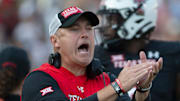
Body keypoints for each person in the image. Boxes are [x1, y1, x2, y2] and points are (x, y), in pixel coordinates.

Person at [22, 6, 163, 101]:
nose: (85, 34)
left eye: (89, 28)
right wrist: (118, 87)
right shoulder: (38, 79)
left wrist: (143, 90)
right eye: (75, 29)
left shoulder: (106, 80)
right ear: (55, 41)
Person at [94, 0, 180, 101]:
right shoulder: (98, 55)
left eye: (113, 19)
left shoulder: (173, 52)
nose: (106, 27)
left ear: (136, 18)